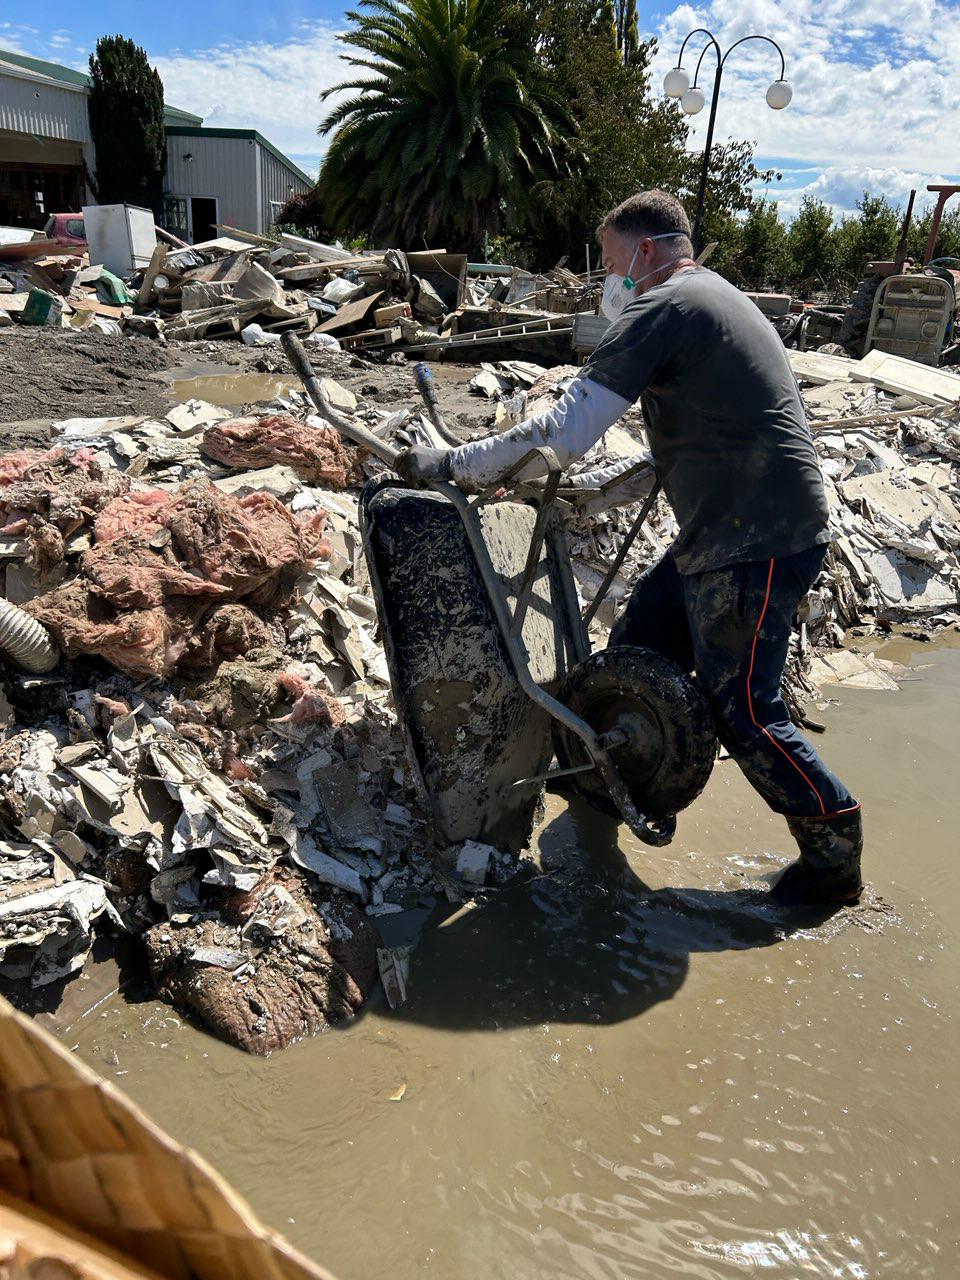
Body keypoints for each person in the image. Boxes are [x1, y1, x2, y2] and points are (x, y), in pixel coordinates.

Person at [395, 189, 862, 906]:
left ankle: (834, 856)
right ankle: (604, 782)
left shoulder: (663, 304)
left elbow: (566, 432)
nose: (605, 281)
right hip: (732, 530)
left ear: (644, 252)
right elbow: (698, 428)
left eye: (609, 263)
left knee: (745, 708)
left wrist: (455, 464)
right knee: (643, 635)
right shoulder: (710, 296)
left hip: (756, 542)